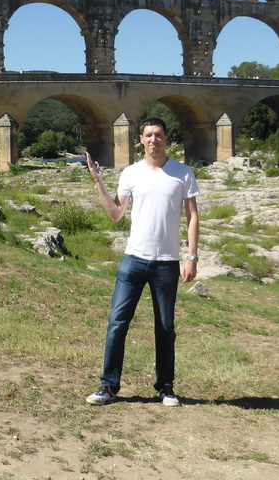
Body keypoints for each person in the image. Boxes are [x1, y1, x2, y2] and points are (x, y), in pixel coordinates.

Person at [84, 117, 200, 407]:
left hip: (166, 263)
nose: (153, 140)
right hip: (133, 260)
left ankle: (166, 387)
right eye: (148, 135)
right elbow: (115, 214)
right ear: (140, 139)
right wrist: (99, 182)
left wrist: (192, 257)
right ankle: (108, 386)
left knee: (165, 327)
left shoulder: (183, 173)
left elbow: (193, 216)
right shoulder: (131, 173)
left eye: (158, 135)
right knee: (117, 323)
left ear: (166, 139)